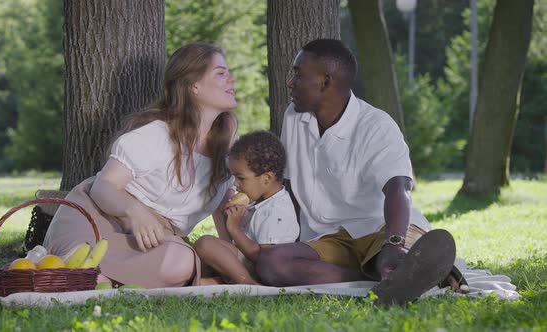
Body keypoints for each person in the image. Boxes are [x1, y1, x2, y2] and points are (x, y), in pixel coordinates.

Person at [255, 39, 458, 305]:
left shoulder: (376, 125)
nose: (290, 82)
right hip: (328, 237)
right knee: (271, 263)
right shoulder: (293, 116)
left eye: (298, 74)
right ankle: (387, 280)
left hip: (381, 228)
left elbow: (399, 188)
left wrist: (393, 244)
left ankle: (399, 265)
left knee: (392, 255)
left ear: (326, 82)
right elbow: (291, 187)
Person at [43, 43, 239, 288]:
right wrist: (135, 212)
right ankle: (192, 282)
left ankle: (116, 280)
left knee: (181, 261)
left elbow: (223, 206)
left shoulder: (230, 146)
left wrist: (234, 258)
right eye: (221, 73)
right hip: (97, 218)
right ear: (194, 86)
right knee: (83, 270)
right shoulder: (157, 135)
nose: (231, 78)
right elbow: (104, 186)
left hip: (153, 240)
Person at [194, 131, 299, 285]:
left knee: (205, 244)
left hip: (261, 270)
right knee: (199, 256)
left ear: (266, 178)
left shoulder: (278, 211)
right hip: (244, 262)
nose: (235, 184)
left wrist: (235, 229)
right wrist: (228, 220)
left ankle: (249, 284)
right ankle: (220, 281)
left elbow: (264, 258)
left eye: (241, 178)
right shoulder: (256, 201)